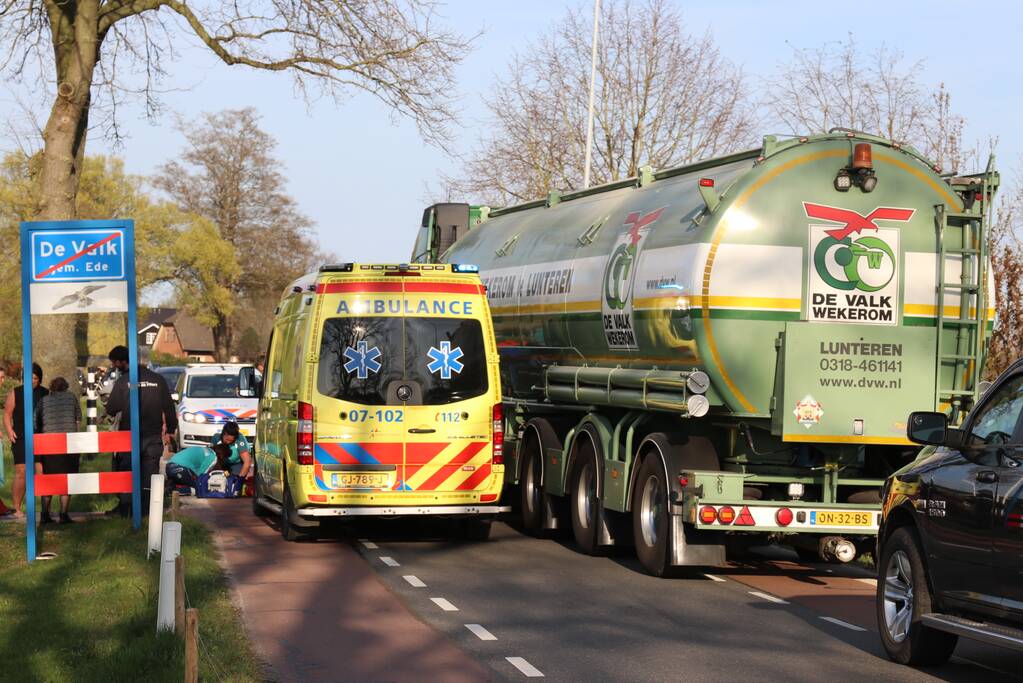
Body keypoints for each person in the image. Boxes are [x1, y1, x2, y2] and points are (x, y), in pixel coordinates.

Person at [105, 346, 178, 517]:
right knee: (148, 475)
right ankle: (146, 512)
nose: (115, 366)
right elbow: (169, 408)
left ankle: (126, 509)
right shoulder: (158, 379)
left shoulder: (124, 381)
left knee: (126, 473)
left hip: (129, 437)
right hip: (153, 437)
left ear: (122, 361)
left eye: (115, 363)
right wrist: (171, 431)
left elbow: (112, 408)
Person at [3, 363, 48, 520]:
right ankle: (17, 508)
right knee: (21, 472)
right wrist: (9, 431)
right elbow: (7, 414)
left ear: (40, 379)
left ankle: (45, 510)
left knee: (41, 471)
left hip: (41, 437)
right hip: (21, 437)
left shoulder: (45, 393)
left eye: (35, 378)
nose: (32, 381)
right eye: (29, 378)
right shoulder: (16, 392)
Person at [34, 377, 82, 524]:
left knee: (48, 481)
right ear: (66, 387)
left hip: (49, 445)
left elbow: (36, 421)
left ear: (51, 387)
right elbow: (78, 419)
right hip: (69, 444)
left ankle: (44, 515)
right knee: (68, 481)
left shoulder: (44, 400)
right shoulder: (71, 397)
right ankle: (63, 514)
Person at [166, 443, 232, 490]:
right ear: (223, 456)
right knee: (199, 488)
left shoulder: (206, 450)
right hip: (180, 469)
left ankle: (172, 485)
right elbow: (201, 476)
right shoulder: (212, 457)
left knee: (189, 481)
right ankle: (174, 490)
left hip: (169, 467)